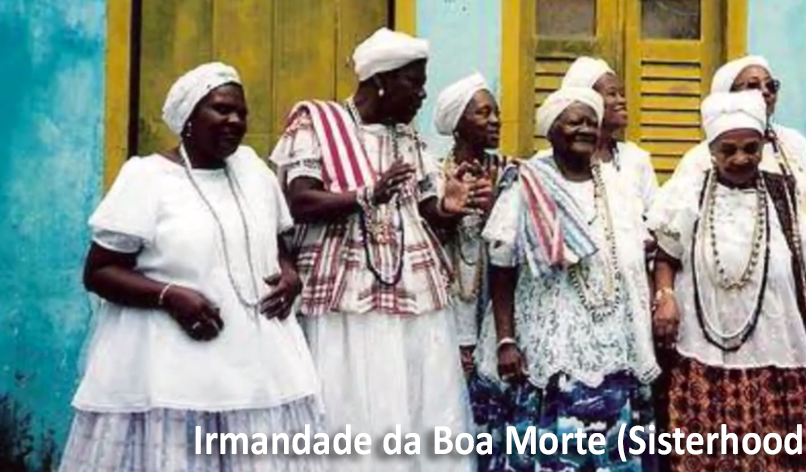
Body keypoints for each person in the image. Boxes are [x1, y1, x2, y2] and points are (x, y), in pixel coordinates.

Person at [58, 63, 324, 472]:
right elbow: (99, 272)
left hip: (258, 366)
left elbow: (276, 241)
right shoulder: (147, 178)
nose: (235, 121)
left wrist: (289, 275)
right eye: (221, 109)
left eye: (241, 113)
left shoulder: (253, 171)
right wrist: (170, 296)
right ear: (187, 118)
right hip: (170, 368)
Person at [270, 28, 486, 472]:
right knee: (350, 399)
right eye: (414, 82)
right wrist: (366, 195)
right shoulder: (318, 122)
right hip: (344, 295)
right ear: (381, 81)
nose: (422, 94)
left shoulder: (407, 137)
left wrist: (449, 207)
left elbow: (426, 208)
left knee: (416, 402)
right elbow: (299, 200)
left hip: (413, 291)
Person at [647, 91, 806, 472]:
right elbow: (666, 256)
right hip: (704, 351)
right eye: (728, 150)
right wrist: (665, 296)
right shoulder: (689, 193)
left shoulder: (785, 194)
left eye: (751, 148)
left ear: (763, 147)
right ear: (712, 151)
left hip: (778, 347)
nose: (740, 159)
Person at [477, 86, 659, 472]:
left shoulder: (618, 186)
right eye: (575, 121)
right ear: (551, 131)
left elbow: (636, 257)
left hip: (612, 346)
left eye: (592, 122)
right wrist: (506, 340)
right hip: (548, 352)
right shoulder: (527, 184)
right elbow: (502, 266)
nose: (586, 129)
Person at [669, 56, 806, 301]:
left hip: (797, 273)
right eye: (753, 86)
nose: (765, 92)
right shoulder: (699, 158)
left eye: (771, 85)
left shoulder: (797, 144)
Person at [432, 72, 512, 376]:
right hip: (448, 299)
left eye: (497, 113)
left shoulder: (510, 172)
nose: (495, 121)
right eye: (483, 113)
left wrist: (494, 210)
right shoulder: (433, 174)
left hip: (497, 296)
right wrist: (449, 210)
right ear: (457, 125)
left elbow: (520, 242)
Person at [544, 56, 659, 218]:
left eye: (622, 94)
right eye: (612, 94)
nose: (622, 100)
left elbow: (654, 218)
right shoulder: (548, 166)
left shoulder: (635, 159)